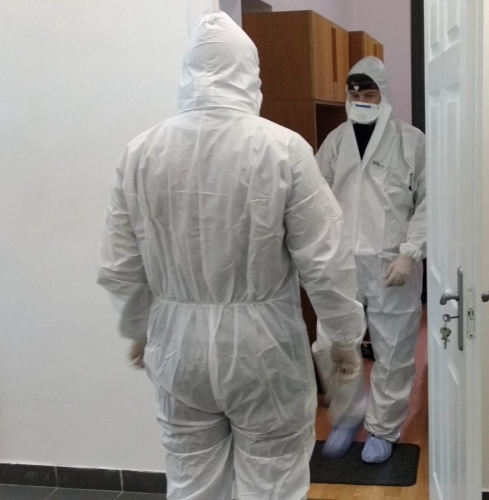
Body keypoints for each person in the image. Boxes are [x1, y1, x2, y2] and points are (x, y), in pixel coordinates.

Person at [97, 11, 363, 500]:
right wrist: (343, 339)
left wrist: (138, 327)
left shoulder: (140, 153)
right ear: (249, 72)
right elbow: (326, 260)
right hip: (264, 351)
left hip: (178, 350)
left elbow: (120, 264)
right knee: (273, 483)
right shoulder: (282, 149)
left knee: (192, 482)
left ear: (187, 72)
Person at [312, 56, 426, 464]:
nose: (359, 99)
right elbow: (315, 198)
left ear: (384, 95)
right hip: (342, 263)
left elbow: (430, 201)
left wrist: (410, 253)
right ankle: (347, 416)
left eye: (369, 93)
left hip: (391, 264)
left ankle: (383, 429)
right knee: (332, 344)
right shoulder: (336, 141)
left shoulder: (411, 142)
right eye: (354, 92)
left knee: (393, 350)